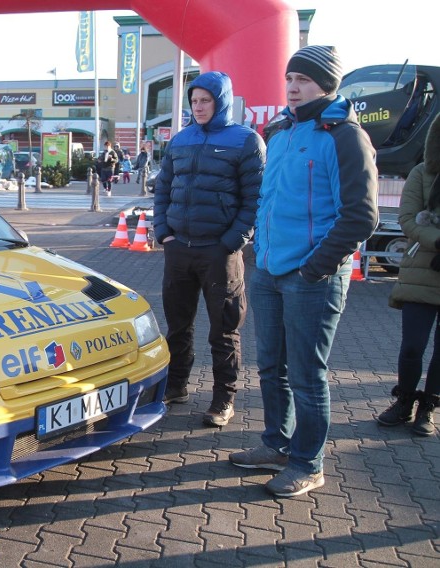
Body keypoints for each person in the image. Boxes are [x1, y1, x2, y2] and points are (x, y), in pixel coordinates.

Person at [229, 46, 378, 497]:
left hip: (311, 277)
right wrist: (261, 252)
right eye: (290, 78)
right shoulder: (282, 132)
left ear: (328, 85)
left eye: (305, 80)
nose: (293, 87)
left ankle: (308, 463)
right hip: (270, 271)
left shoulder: (344, 136)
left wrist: (315, 267)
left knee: (306, 374)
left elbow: (360, 216)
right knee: (271, 366)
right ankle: (276, 444)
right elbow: (270, 200)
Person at [152, 70, 265, 427]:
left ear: (222, 101)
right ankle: (177, 386)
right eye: (194, 100)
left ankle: (223, 400)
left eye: (205, 100)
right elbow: (162, 189)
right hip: (179, 250)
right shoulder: (181, 140)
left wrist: (231, 242)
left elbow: (255, 199)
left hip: (220, 253)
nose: (198, 107)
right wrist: (163, 233)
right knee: (178, 326)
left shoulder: (246, 141)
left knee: (224, 330)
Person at [377, 113, 440, 436]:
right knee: (412, 345)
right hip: (422, 272)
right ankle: (403, 402)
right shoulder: (422, 173)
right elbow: (407, 219)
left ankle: (428, 406)